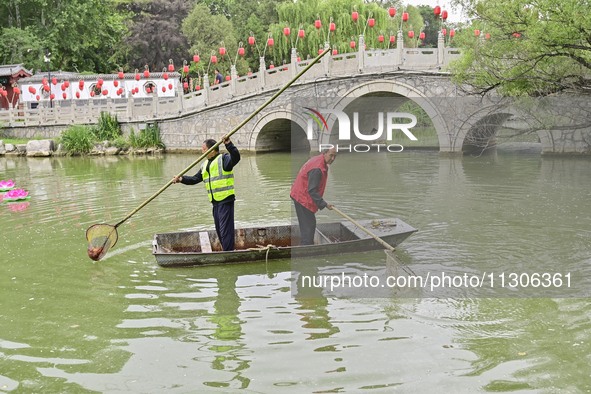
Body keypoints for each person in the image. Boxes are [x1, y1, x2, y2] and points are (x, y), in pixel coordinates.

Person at [173, 137, 240, 251]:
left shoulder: (223, 159)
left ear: (212, 150)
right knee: (219, 230)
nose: (202, 151)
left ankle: (228, 253)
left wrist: (228, 144)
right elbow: (195, 179)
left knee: (225, 231)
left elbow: (236, 157)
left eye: (204, 149)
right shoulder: (205, 165)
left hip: (225, 200)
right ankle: (226, 251)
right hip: (215, 203)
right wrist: (181, 179)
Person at [290, 147, 337, 245]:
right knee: (309, 226)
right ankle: (306, 247)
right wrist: (324, 204)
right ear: (324, 153)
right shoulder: (317, 169)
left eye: (335, 156)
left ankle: (306, 244)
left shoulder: (319, 160)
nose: (332, 159)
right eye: (331, 155)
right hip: (302, 197)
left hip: (300, 193)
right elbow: (312, 190)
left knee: (308, 224)